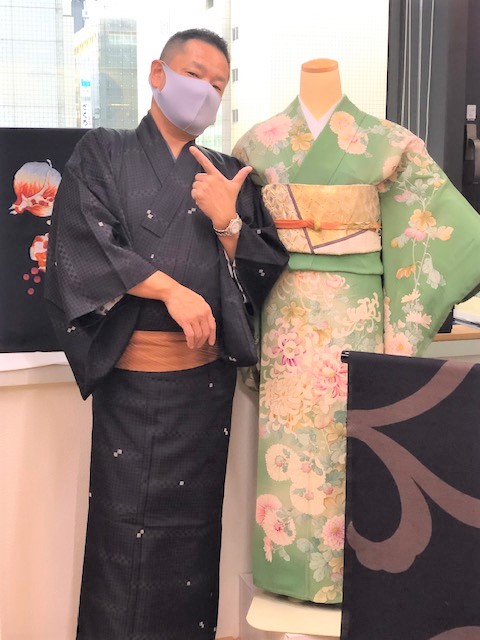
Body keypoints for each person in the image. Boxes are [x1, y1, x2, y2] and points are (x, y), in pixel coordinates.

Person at [45, 28, 288, 639]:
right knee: (122, 542)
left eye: (218, 85)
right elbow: (83, 242)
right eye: (194, 75)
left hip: (204, 392)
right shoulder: (103, 152)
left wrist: (228, 222)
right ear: (158, 74)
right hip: (132, 387)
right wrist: (170, 290)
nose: (205, 92)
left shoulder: (227, 173)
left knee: (192, 546)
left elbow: (263, 272)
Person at [232, 58, 480, 605]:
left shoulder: (389, 142)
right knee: (292, 436)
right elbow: (240, 234)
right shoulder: (256, 145)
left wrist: (399, 323)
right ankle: (289, 572)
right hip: (286, 313)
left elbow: (447, 226)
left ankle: (354, 577)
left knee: (354, 435)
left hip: (357, 311)